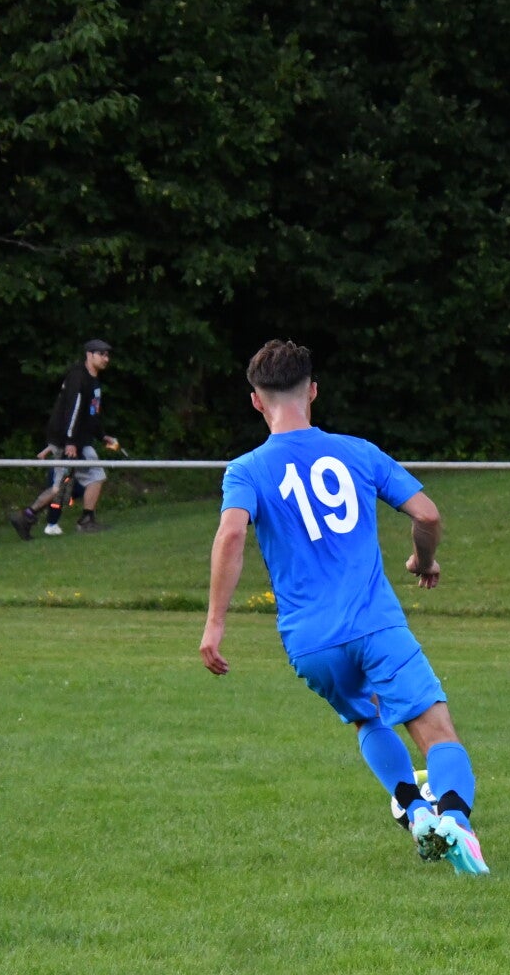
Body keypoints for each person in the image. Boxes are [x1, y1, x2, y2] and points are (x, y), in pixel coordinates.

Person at [198, 339, 488, 874]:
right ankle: (455, 821)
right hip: (375, 625)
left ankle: (414, 810)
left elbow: (232, 534)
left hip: (309, 642)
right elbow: (426, 515)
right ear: (312, 391)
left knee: (365, 717)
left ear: (256, 401)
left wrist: (215, 624)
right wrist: (423, 561)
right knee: (437, 732)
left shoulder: (245, 470)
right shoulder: (358, 452)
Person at [10, 339, 120, 539]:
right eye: (101, 354)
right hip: (67, 440)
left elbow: (92, 413)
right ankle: (29, 516)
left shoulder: (94, 380)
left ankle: (34, 516)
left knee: (90, 477)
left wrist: (102, 435)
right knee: (62, 486)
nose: (106, 359)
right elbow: (73, 410)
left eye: (107, 355)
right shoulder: (78, 377)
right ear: (89, 354)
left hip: (80, 441)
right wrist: (70, 441)